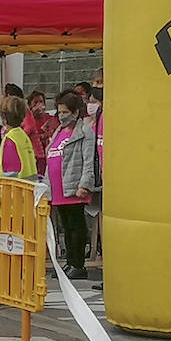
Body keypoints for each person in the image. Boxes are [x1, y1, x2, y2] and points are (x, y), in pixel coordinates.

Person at [47, 90, 98, 279]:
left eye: (65, 112)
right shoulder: (58, 132)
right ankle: (69, 262)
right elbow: (51, 154)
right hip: (58, 187)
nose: (61, 116)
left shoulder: (84, 132)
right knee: (65, 227)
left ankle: (78, 264)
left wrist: (85, 184)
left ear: (76, 112)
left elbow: (88, 159)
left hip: (74, 186)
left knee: (76, 225)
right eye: (59, 112)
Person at [0, 96, 38, 180]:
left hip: (14, 191)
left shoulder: (10, 139)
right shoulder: (23, 136)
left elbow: (9, 173)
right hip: (28, 188)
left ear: (5, 118)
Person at [24, 91, 56, 174]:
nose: (39, 105)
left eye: (41, 102)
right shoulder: (28, 121)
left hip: (49, 154)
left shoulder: (50, 118)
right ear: (30, 105)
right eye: (35, 103)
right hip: (34, 155)